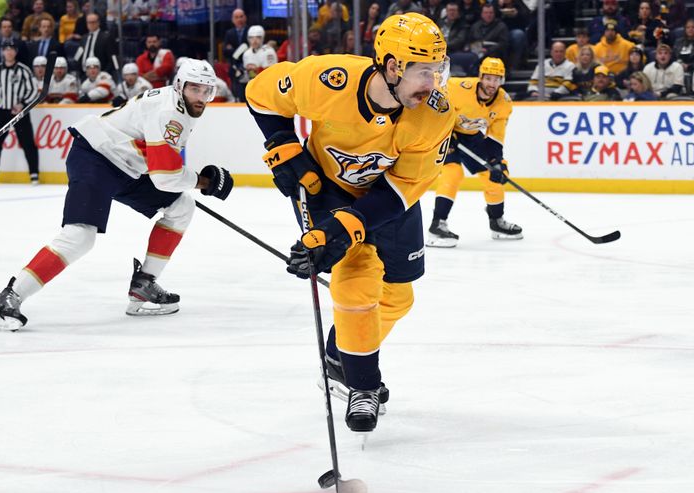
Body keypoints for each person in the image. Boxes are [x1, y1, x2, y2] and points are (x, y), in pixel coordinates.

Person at [246, 13, 456, 433]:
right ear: (393, 66)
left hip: (386, 199)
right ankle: (362, 384)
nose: (433, 83)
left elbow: (402, 189)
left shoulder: (434, 114)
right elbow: (260, 93)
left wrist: (352, 223)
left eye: (438, 70)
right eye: (423, 72)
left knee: (398, 297)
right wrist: (284, 145)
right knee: (355, 277)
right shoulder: (329, 78)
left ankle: (341, 352)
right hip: (325, 187)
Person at [0, 59, 235, 331]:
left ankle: (144, 285)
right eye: (195, 89)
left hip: (125, 166)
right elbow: (165, 177)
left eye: (207, 91)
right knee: (80, 236)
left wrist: (199, 181)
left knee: (181, 207)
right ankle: (9, 298)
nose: (202, 97)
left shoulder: (179, 106)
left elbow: (160, 166)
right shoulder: (169, 113)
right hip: (96, 158)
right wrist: (204, 182)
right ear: (180, 86)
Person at [427, 58, 520, 248]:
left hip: (470, 135)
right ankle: (437, 224)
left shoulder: (504, 103)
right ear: (480, 77)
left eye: (496, 79)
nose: (491, 84)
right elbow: (433, 102)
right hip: (445, 132)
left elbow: (495, 137)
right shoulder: (457, 88)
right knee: (453, 173)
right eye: (488, 79)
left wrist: (496, 161)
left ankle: (497, 221)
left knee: (493, 175)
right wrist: (444, 132)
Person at [0, 41, 39, 186]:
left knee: (28, 143)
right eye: (6, 49)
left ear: (15, 52)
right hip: (1, 110)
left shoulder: (23, 70)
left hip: (19, 112)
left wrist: (23, 104)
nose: (9, 52)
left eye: (11, 49)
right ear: (2, 52)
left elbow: (33, 90)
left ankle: (34, 173)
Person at [76, 12, 116, 77]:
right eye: (89, 22)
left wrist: (104, 74)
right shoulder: (84, 38)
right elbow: (77, 57)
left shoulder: (106, 37)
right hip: (84, 74)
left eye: (93, 22)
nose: (91, 24)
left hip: (101, 75)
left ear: (98, 22)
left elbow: (111, 60)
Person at [222, 8, 249, 102]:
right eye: (236, 17)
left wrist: (233, 49)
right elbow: (225, 51)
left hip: (248, 68)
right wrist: (241, 50)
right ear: (233, 20)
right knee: (236, 93)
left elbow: (250, 49)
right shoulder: (229, 33)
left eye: (241, 17)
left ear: (245, 17)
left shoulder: (250, 31)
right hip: (234, 68)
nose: (239, 19)